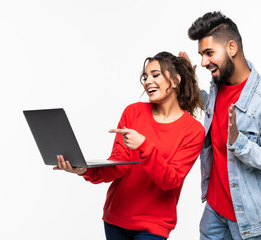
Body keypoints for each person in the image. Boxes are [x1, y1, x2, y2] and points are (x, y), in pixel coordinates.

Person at [53, 51, 205, 240]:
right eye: (145, 77)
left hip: (154, 226)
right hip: (116, 219)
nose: (148, 81)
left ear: (175, 81)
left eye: (155, 75)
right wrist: (84, 170)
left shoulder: (193, 130)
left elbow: (171, 180)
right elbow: (119, 165)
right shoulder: (133, 112)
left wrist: (144, 145)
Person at [180, 11, 261, 240]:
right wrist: (189, 82)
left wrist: (239, 143)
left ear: (231, 48)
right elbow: (209, 105)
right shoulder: (219, 84)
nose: (203, 62)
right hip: (214, 211)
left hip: (249, 221)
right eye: (201, 54)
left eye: (209, 53)